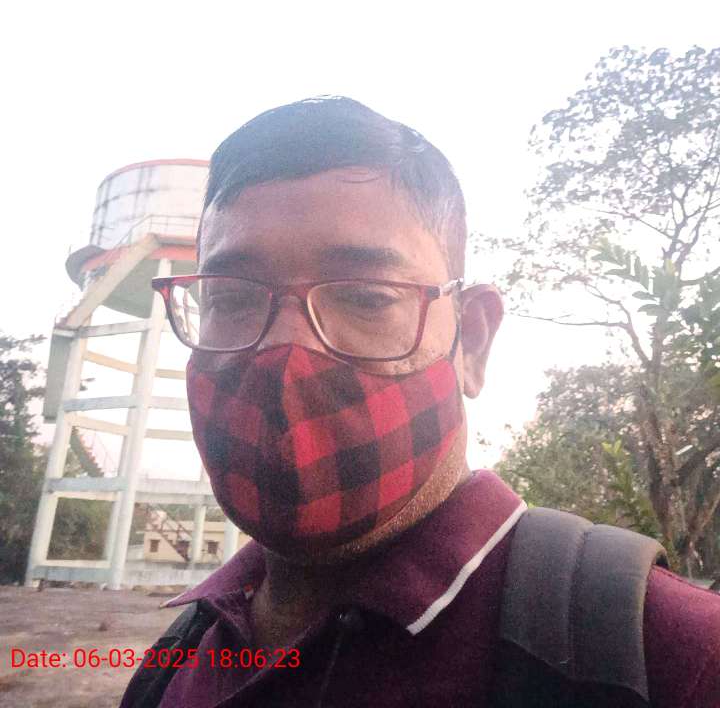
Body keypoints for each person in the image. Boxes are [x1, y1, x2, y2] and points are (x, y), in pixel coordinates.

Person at [120, 96, 720, 707]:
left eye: (366, 297)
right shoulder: (179, 656)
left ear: (471, 341)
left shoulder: (681, 657)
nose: (285, 352)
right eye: (230, 297)